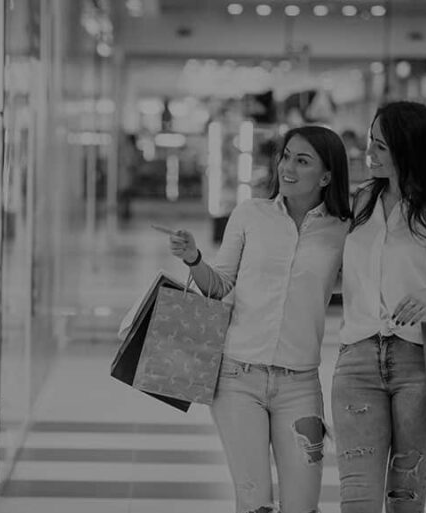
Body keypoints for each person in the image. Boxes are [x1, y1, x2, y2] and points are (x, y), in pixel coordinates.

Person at [167, 126, 351, 513]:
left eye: (302, 161)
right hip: (237, 379)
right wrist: (193, 259)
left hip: (300, 384)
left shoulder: (343, 230)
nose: (288, 167)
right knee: (255, 504)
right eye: (286, 156)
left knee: (302, 506)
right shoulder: (251, 213)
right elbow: (219, 286)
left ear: (326, 176)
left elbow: (359, 285)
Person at [332, 101, 426, 513]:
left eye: (380, 146)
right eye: (371, 143)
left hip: (421, 364)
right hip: (357, 362)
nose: (370, 154)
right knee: (357, 501)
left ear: (408, 149)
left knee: (406, 501)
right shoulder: (360, 202)